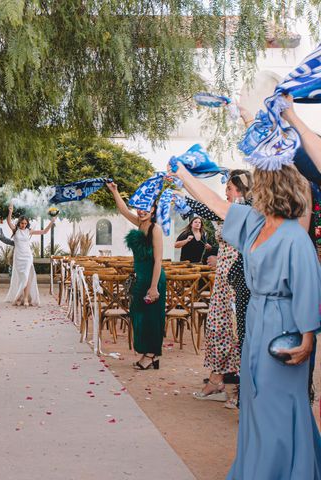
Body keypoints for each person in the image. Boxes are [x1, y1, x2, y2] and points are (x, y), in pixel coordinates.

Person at [170, 161, 321, 480]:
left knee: (276, 403)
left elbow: (308, 285)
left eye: (263, 185)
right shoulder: (253, 223)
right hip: (255, 319)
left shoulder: (296, 235)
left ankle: (284, 470)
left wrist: (307, 336)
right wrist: (182, 175)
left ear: (274, 191)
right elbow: (215, 203)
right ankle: (255, 468)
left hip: (284, 323)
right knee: (253, 400)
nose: (256, 190)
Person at [184, 170, 252, 407]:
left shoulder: (246, 210)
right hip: (223, 278)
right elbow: (206, 205)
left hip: (239, 280)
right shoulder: (228, 210)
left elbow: (208, 206)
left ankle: (238, 388)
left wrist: (183, 190)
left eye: (230, 189)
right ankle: (219, 380)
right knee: (218, 327)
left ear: (242, 190)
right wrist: (182, 188)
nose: (226, 193)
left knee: (237, 330)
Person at [106, 181, 166, 370]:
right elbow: (124, 210)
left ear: (154, 209)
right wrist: (115, 191)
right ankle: (148, 354)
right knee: (139, 316)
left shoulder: (155, 229)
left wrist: (154, 287)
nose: (141, 211)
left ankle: (151, 355)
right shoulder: (139, 223)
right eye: (139, 207)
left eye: (146, 207)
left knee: (151, 318)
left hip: (153, 279)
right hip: (141, 278)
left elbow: (158, 261)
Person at [4, 204, 56, 306]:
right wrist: (10, 212)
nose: (23, 225)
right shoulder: (15, 230)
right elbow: (9, 222)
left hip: (27, 256)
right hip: (18, 257)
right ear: (19, 223)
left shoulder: (29, 231)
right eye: (22, 223)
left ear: (27, 224)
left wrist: (52, 221)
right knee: (21, 277)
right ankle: (19, 297)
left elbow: (44, 231)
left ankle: (26, 298)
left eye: (25, 223)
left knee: (27, 276)